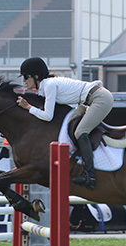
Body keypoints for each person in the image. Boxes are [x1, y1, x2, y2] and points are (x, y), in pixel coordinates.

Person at [16, 56, 114, 190]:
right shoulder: (48, 85)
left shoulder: (49, 85)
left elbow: (47, 116)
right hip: (91, 99)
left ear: (36, 76)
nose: (24, 81)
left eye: (26, 77)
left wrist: (28, 107)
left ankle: (90, 176)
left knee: (80, 132)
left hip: (100, 98)